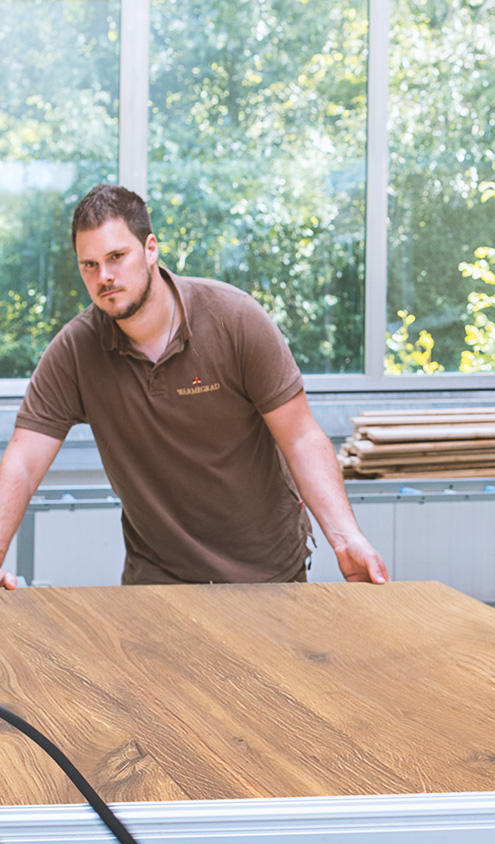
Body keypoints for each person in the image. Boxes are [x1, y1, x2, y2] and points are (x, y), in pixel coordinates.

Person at [0, 184, 387, 588]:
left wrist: (346, 538)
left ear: (150, 249)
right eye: (90, 265)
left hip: (267, 572)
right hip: (157, 580)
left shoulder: (233, 318)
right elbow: (24, 461)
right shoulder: (75, 351)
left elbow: (301, 437)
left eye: (116, 257)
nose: (105, 277)